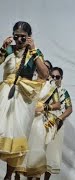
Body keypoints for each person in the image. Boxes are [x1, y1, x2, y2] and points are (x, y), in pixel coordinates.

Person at [0, 21, 49, 180]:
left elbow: (44, 74)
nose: (19, 40)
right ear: (12, 35)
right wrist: (2, 48)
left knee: (17, 135)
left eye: (23, 37)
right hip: (4, 95)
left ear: (29, 37)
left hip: (23, 99)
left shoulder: (34, 53)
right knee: (2, 130)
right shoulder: (8, 49)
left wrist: (34, 50)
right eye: (16, 36)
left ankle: (8, 176)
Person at [14, 60, 61, 180]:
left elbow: (57, 105)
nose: (42, 68)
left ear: (48, 71)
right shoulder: (29, 82)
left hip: (38, 122)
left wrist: (44, 107)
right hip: (24, 120)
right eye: (41, 66)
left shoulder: (50, 87)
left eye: (46, 67)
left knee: (35, 156)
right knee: (19, 155)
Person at [44, 67, 73, 180]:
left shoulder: (64, 92)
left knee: (51, 154)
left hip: (56, 125)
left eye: (58, 77)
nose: (55, 79)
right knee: (38, 152)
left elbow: (69, 109)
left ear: (61, 78)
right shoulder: (45, 89)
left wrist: (59, 118)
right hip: (42, 121)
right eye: (53, 76)